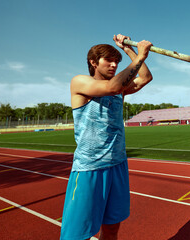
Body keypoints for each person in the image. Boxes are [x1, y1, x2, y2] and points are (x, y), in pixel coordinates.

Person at [60, 34, 153, 240]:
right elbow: (112, 87)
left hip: (117, 164)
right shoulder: (81, 82)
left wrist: (131, 51)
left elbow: (145, 78)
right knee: (76, 235)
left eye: (116, 62)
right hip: (90, 167)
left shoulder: (119, 87)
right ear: (93, 62)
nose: (113, 65)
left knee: (111, 228)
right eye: (108, 61)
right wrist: (139, 57)